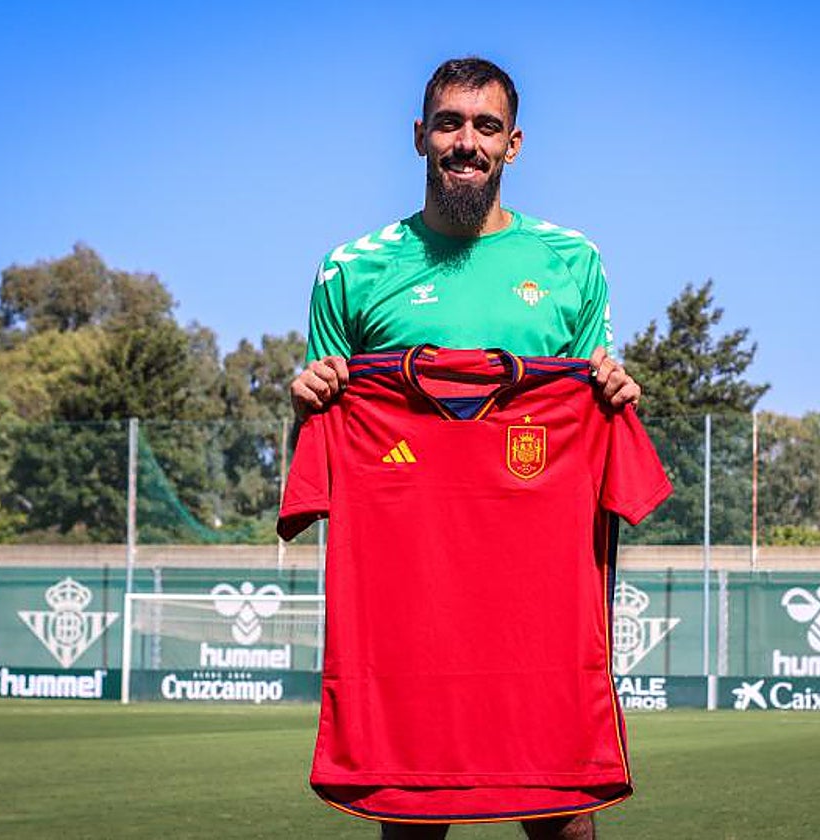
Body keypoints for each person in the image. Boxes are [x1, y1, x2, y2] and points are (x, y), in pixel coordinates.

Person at [289, 57, 640, 840]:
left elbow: (589, 402)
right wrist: (307, 400)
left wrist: (612, 394)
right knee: (411, 813)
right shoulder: (350, 269)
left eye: (485, 127)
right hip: (409, 587)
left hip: (538, 584)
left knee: (560, 814)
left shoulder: (572, 263)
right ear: (420, 136)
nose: (466, 142)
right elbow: (325, 437)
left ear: (513, 144)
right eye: (449, 123)